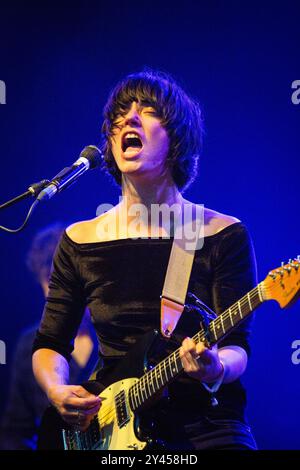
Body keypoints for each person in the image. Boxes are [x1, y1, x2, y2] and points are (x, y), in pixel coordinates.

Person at [32, 69, 258, 450]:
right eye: (119, 113)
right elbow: (50, 344)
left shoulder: (221, 233)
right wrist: (57, 389)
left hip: (204, 425)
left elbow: (237, 346)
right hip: (109, 429)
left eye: (148, 110)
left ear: (177, 140)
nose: (128, 118)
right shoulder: (80, 239)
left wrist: (216, 367)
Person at [0, 224, 98, 450]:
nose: (52, 293)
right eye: (49, 283)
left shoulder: (112, 332)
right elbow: (16, 431)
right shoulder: (28, 345)